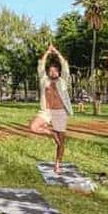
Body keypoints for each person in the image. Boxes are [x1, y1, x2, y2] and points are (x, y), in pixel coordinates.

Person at [29, 44, 72, 173]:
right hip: (46, 112)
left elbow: (65, 65)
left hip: (59, 112)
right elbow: (41, 65)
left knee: (60, 142)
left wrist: (57, 52)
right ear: (48, 72)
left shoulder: (63, 80)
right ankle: (51, 133)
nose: (53, 73)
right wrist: (48, 52)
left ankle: (58, 163)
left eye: (55, 71)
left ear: (58, 72)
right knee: (33, 127)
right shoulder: (44, 81)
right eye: (50, 71)